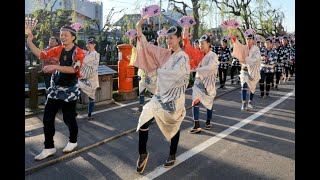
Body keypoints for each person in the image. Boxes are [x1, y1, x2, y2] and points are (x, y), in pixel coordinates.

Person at [134, 18, 190, 173]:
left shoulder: (183, 57)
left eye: (172, 37)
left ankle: (172, 153)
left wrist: (159, 72)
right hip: (159, 96)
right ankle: (142, 153)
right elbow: (146, 46)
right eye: (167, 38)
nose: (169, 40)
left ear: (179, 38)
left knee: (173, 123)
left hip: (174, 97)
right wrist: (139, 25)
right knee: (144, 118)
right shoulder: (163, 53)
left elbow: (180, 76)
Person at [26, 25, 85, 161]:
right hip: (56, 87)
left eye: (65, 35)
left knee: (68, 117)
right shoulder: (59, 49)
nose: (62, 37)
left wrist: (54, 66)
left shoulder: (79, 52)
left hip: (70, 89)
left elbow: (73, 69)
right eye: (61, 34)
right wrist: (29, 41)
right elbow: (42, 54)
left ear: (73, 37)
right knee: (47, 117)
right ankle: (49, 147)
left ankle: (73, 141)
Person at [182, 28, 219, 134]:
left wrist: (196, 69)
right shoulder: (198, 54)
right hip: (198, 81)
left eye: (203, 43)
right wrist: (185, 37)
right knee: (195, 101)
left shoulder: (213, 55)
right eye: (199, 44)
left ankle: (208, 122)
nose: (200, 46)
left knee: (209, 103)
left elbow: (211, 67)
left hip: (209, 83)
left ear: (208, 43)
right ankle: (196, 124)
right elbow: (188, 49)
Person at [231, 31, 261, 111]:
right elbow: (237, 44)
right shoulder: (244, 47)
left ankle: (250, 102)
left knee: (252, 87)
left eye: (250, 39)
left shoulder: (256, 49)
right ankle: (243, 103)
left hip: (253, 70)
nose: (248, 40)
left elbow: (256, 59)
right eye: (247, 39)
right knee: (243, 85)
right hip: (244, 70)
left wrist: (247, 60)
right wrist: (232, 36)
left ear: (253, 40)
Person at [78, 38, 100, 120]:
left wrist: (84, 66)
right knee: (77, 90)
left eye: (90, 44)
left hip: (91, 76)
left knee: (91, 96)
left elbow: (95, 66)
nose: (88, 45)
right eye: (87, 44)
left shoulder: (96, 54)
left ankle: (90, 114)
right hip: (82, 75)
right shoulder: (85, 53)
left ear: (94, 45)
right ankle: (73, 111)